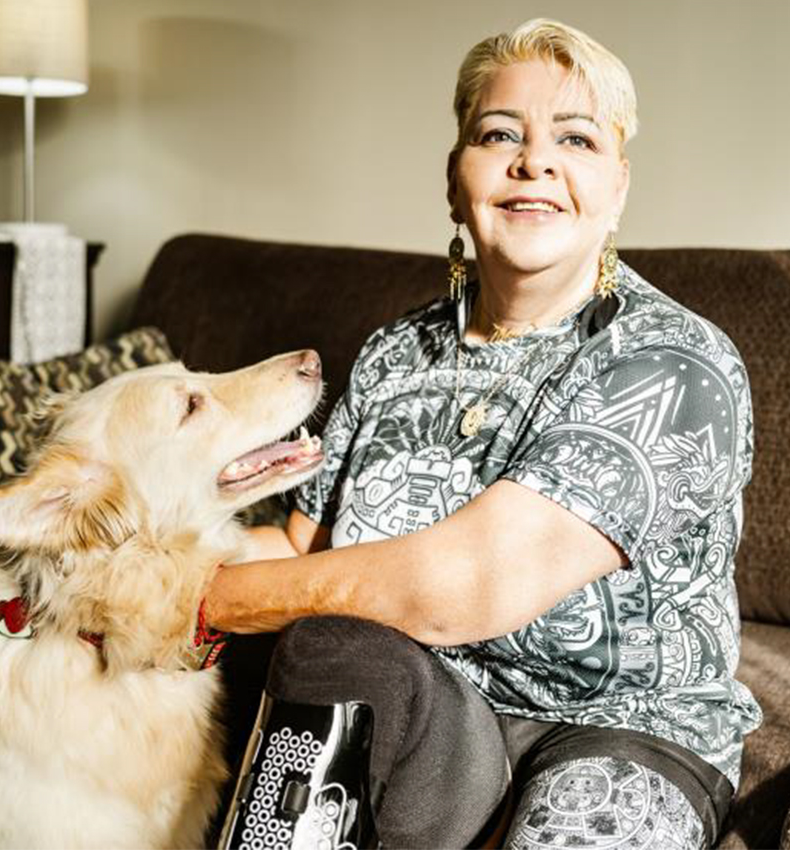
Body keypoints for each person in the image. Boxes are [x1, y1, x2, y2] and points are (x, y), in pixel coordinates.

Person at [206, 18, 761, 850]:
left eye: (575, 139)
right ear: (454, 180)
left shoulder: (672, 362)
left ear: (616, 189)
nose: (534, 161)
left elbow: (466, 584)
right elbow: (300, 552)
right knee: (328, 643)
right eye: (499, 133)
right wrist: (126, 565)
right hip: (435, 713)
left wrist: (192, 601)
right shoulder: (396, 351)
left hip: (621, 727)